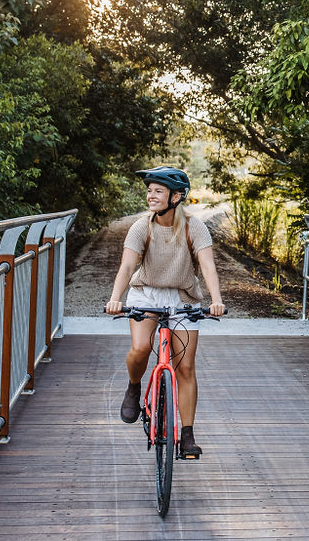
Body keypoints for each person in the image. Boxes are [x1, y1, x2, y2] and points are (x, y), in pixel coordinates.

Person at [105, 166, 226, 457]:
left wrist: (216, 300)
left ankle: (186, 434)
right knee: (139, 350)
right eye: (149, 190)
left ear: (176, 196)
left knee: (185, 367)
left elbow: (207, 266)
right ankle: (134, 386)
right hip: (145, 293)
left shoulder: (192, 227)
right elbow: (127, 266)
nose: (150, 195)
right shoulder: (141, 226)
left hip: (183, 298)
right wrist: (115, 298)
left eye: (157, 190)